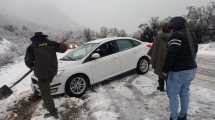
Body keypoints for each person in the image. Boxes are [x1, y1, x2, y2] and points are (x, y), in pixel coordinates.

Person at [24, 32, 68, 118]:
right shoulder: (50, 43)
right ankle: (49, 102)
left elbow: (28, 62)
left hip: (41, 74)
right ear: (43, 37)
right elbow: (63, 49)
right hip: (52, 71)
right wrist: (63, 44)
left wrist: (33, 66)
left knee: (45, 93)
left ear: (34, 38)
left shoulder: (31, 47)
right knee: (47, 87)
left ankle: (53, 112)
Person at [163, 17, 198, 120]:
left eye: (171, 27)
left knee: (173, 94)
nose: (171, 30)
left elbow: (171, 54)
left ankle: (174, 117)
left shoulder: (176, 35)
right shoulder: (191, 34)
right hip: (191, 68)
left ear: (174, 26)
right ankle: (183, 115)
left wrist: (165, 70)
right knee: (184, 92)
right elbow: (195, 49)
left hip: (178, 71)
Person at [151, 22, 171, 92]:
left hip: (159, 59)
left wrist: (153, 59)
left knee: (160, 73)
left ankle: (161, 87)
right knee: (169, 75)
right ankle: (169, 88)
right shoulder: (173, 36)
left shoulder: (158, 37)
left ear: (162, 28)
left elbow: (154, 48)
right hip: (169, 59)